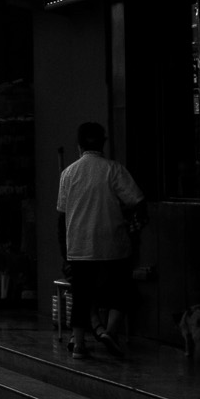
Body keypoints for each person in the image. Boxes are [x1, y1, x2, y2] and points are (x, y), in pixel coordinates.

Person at [57, 121, 145, 359]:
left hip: (79, 244)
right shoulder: (113, 169)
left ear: (78, 146)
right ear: (104, 144)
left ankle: (78, 345)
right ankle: (111, 332)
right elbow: (136, 200)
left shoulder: (68, 173)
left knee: (82, 294)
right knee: (121, 288)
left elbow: (62, 213)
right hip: (112, 242)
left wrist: (64, 250)